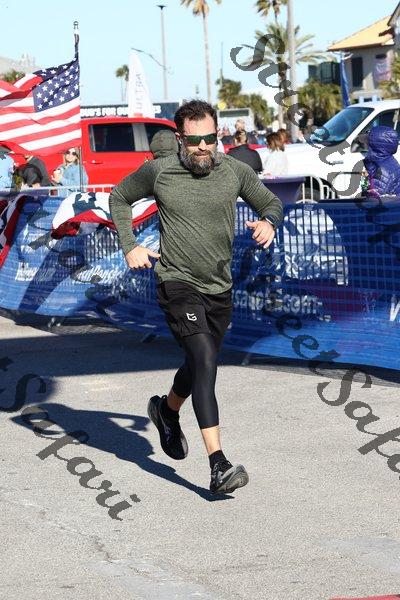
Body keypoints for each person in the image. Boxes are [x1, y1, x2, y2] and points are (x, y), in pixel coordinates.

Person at [109, 100, 283, 495]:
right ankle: (218, 465)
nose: (202, 147)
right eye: (194, 140)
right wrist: (130, 245)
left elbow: (271, 202)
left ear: (218, 135)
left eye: (209, 138)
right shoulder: (160, 171)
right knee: (205, 360)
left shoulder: (235, 171)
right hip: (177, 282)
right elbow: (119, 197)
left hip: (219, 287)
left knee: (198, 363)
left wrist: (269, 222)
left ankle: (165, 411)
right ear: (179, 138)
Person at [363, 126, 400, 197]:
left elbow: (377, 199)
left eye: (369, 143)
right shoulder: (386, 161)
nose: (366, 145)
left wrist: (364, 194)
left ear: (376, 146)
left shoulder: (381, 171)